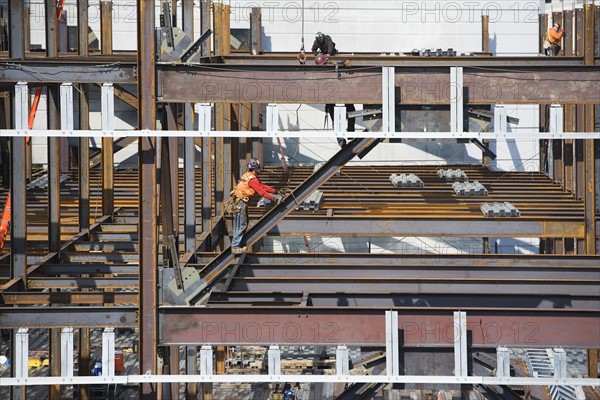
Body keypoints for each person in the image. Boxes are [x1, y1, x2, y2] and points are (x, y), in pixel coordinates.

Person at [231, 158, 281, 254]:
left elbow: (262, 186)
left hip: (238, 202)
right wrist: (274, 199)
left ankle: (237, 244)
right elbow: (261, 192)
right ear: (256, 168)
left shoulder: (248, 175)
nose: (259, 169)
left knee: (241, 223)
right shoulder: (252, 179)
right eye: (258, 168)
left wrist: (275, 191)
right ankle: (236, 247)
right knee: (241, 224)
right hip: (240, 203)